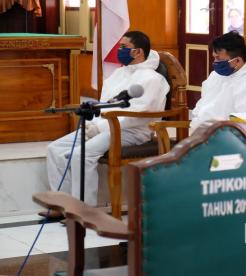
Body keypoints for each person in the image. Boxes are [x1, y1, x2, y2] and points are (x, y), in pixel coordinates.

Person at [41, 31, 169, 218]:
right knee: (54, 149)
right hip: (104, 127)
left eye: (124, 47)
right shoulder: (118, 73)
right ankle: (62, 205)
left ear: (138, 52)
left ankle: (84, 212)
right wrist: (94, 120)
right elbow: (105, 103)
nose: (119, 50)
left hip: (132, 131)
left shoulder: (152, 79)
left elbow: (139, 115)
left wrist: (100, 127)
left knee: (80, 155)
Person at [191, 31, 246, 130]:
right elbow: (200, 108)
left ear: (238, 61)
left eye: (218, 58)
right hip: (202, 135)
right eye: (214, 58)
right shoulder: (215, 76)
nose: (215, 63)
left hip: (228, 139)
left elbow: (245, 124)